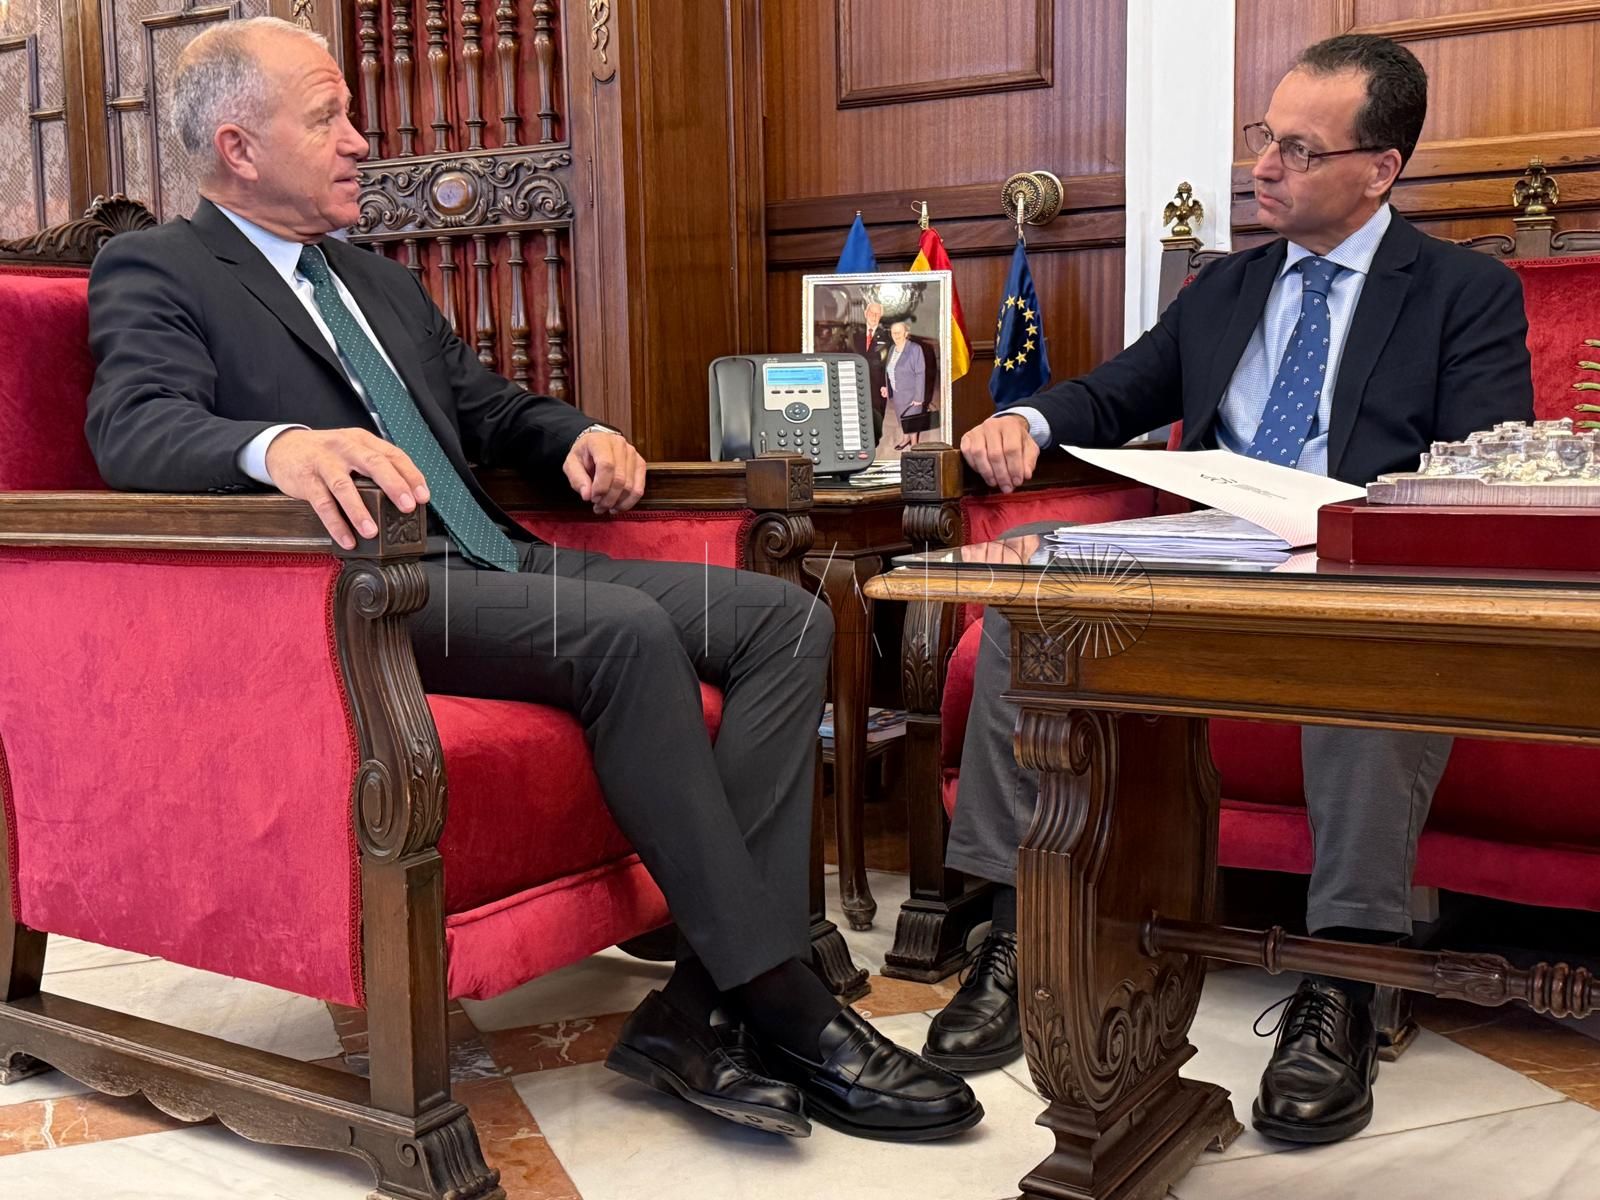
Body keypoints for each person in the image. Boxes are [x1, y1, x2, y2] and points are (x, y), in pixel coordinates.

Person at [85, 17, 980, 1144]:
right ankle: (782, 1001)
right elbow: (135, 432)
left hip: (497, 557)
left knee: (782, 623)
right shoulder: (158, 267)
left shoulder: (371, 279)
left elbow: (484, 405)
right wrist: (279, 447)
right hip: (367, 592)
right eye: (329, 119)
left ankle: (697, 1005)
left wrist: (573, 433)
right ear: (239, 147)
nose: (363, 141)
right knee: (619, 633)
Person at [922, 33, 1532, 1147]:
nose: (1264, 165)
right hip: (1213, 549)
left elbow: (1484, 461)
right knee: (1038, 595)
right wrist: (1030, 419)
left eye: (1298, 149)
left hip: (1357, 565)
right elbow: (1120, 389)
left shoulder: (1462, 292)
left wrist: (1351, 517)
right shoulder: (1223, 288)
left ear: (1379, 168)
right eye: (1263, 137)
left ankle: (1344, 982)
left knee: (1373, 655)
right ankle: (1018, 933)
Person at [883, 319, 927, 450]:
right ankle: (905, 438)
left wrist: (919, 397)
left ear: (906, 333)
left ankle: (914, 444)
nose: (895, 335)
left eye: (899, 332)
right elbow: (890, 369)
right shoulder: (892, 348)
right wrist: (887, 387)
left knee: (912, 420)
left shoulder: (915, 349)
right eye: (893, 332)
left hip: (911, 392)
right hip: (898, 392)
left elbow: (920, 373)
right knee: (901, 418)